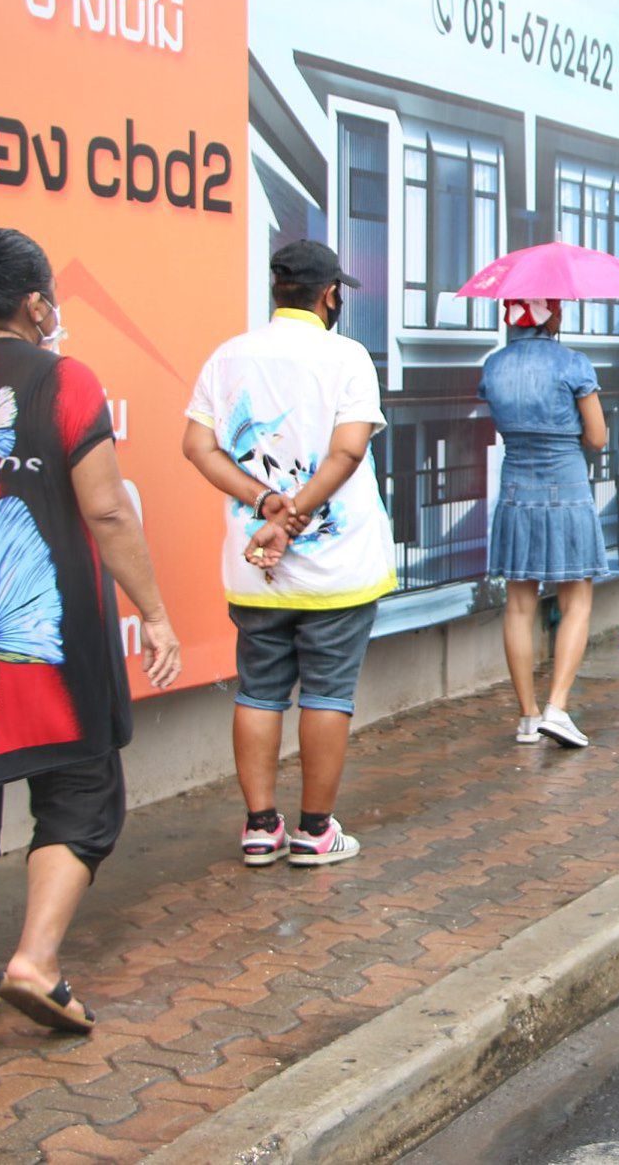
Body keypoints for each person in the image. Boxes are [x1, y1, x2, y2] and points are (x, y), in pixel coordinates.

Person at [0, 227, 182, 1034]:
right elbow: (107, 508)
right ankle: (36, 960)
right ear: (34, 303)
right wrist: (154, 613)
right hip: (43, 627)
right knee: (82, 791)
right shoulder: (63, 378)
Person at [184, 239, 392, 866]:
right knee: (327, 695)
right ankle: (315, 831)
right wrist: (297, 513)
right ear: (330, 295)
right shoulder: (346, 356)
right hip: (337, 570)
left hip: (258, 569)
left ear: (277, 290)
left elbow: (197, 446)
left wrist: (266, 502)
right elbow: (348, 450)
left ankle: (259, 827)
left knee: (258, 692)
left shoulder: (228, 357)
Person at [476, 297, 609, 747]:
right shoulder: (573, 363)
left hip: (517, 489)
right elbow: (597, 437)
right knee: (577, 600)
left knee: (519, 604)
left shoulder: (494, 365)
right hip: (566, 488)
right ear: (552, 314)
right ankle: (557, 707)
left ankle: (528, 717)